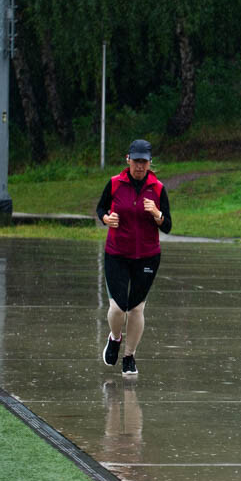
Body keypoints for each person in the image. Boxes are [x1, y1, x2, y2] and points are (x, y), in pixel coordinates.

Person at [96, 139, 172, 378]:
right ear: (127, 159)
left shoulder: (158, 188)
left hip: (147, 256)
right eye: (136, 161)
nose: (140, 166)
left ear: (150, 163)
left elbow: (168, 225)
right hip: (117, 253)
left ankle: (129, 356)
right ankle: (115, 337)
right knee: (118, 308)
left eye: (144, 162)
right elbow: (100, 210)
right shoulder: (115, 184)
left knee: (137, 309)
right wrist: (107, 219)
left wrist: (157, 214)